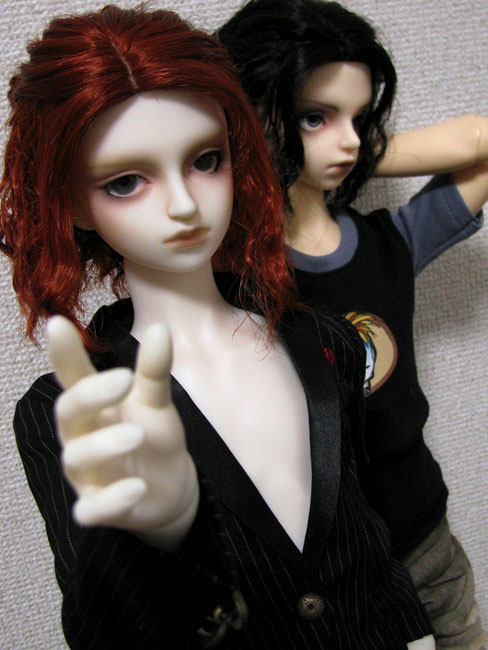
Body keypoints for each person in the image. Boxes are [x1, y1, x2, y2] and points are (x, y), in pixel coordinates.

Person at [0, 5, 435, 649]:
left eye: (206, 160)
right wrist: (162, 537)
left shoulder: (325, 342)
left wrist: (413, 634)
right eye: (126, 181)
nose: (183, 205)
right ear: (71, 202)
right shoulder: (69, 412)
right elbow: (106, 633)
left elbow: (363, 530)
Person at [217, 1, 488, 647]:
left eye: (360, 118)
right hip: (329, 571)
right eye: (315, 116)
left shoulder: (389, 244)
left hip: (424, 533)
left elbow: (482, 141)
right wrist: (263, 145)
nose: (348, 140)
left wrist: (350, 148)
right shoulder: (229, 274)